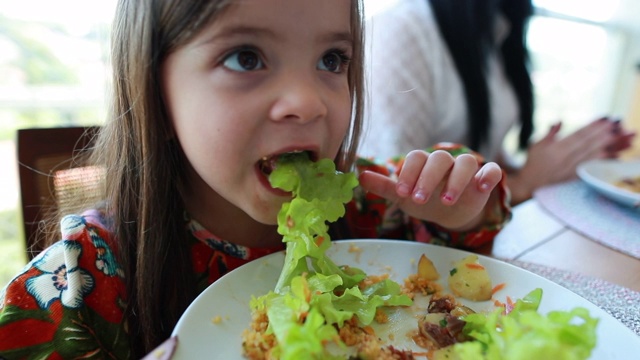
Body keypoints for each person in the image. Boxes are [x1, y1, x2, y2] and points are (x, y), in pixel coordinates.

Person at [0, 0, 510, 358]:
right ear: (154, 86)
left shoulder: (363, 207)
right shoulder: (82, 281)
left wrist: (459, 205)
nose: (308, 101)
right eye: (247, 57)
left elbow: (462, 237)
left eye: (332, 60)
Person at [360, 0, 636, 205]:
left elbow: (481, 149)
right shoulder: (403, 29)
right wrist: (526, 181)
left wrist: (556, 162)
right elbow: (389, 195)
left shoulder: (496, 29)